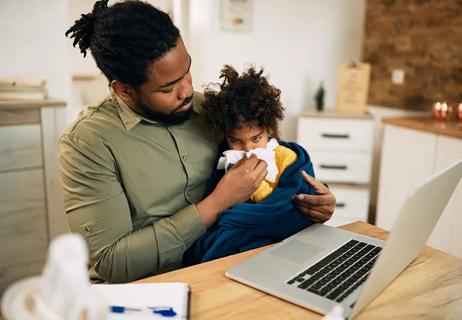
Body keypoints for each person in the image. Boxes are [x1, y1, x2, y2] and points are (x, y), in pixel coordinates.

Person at [61, 0, 336, 283]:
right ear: (124, 90)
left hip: (235, 266)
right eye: (168, 87)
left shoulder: (211, 110)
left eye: (187, 72)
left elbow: (272, 161)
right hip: (153, 285)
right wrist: (218, 202)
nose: (187, 91)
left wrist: (313, 203)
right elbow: (112, 263)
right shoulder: (87, 143)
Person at [182, 65, 317, 264]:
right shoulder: (224, 160)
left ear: (269, 128)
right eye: (235, 140)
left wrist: (239, 216)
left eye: (256, 138)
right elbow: (215, 200)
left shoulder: (289, 157)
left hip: (280, 239)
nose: (247, 149)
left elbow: (301, 197)